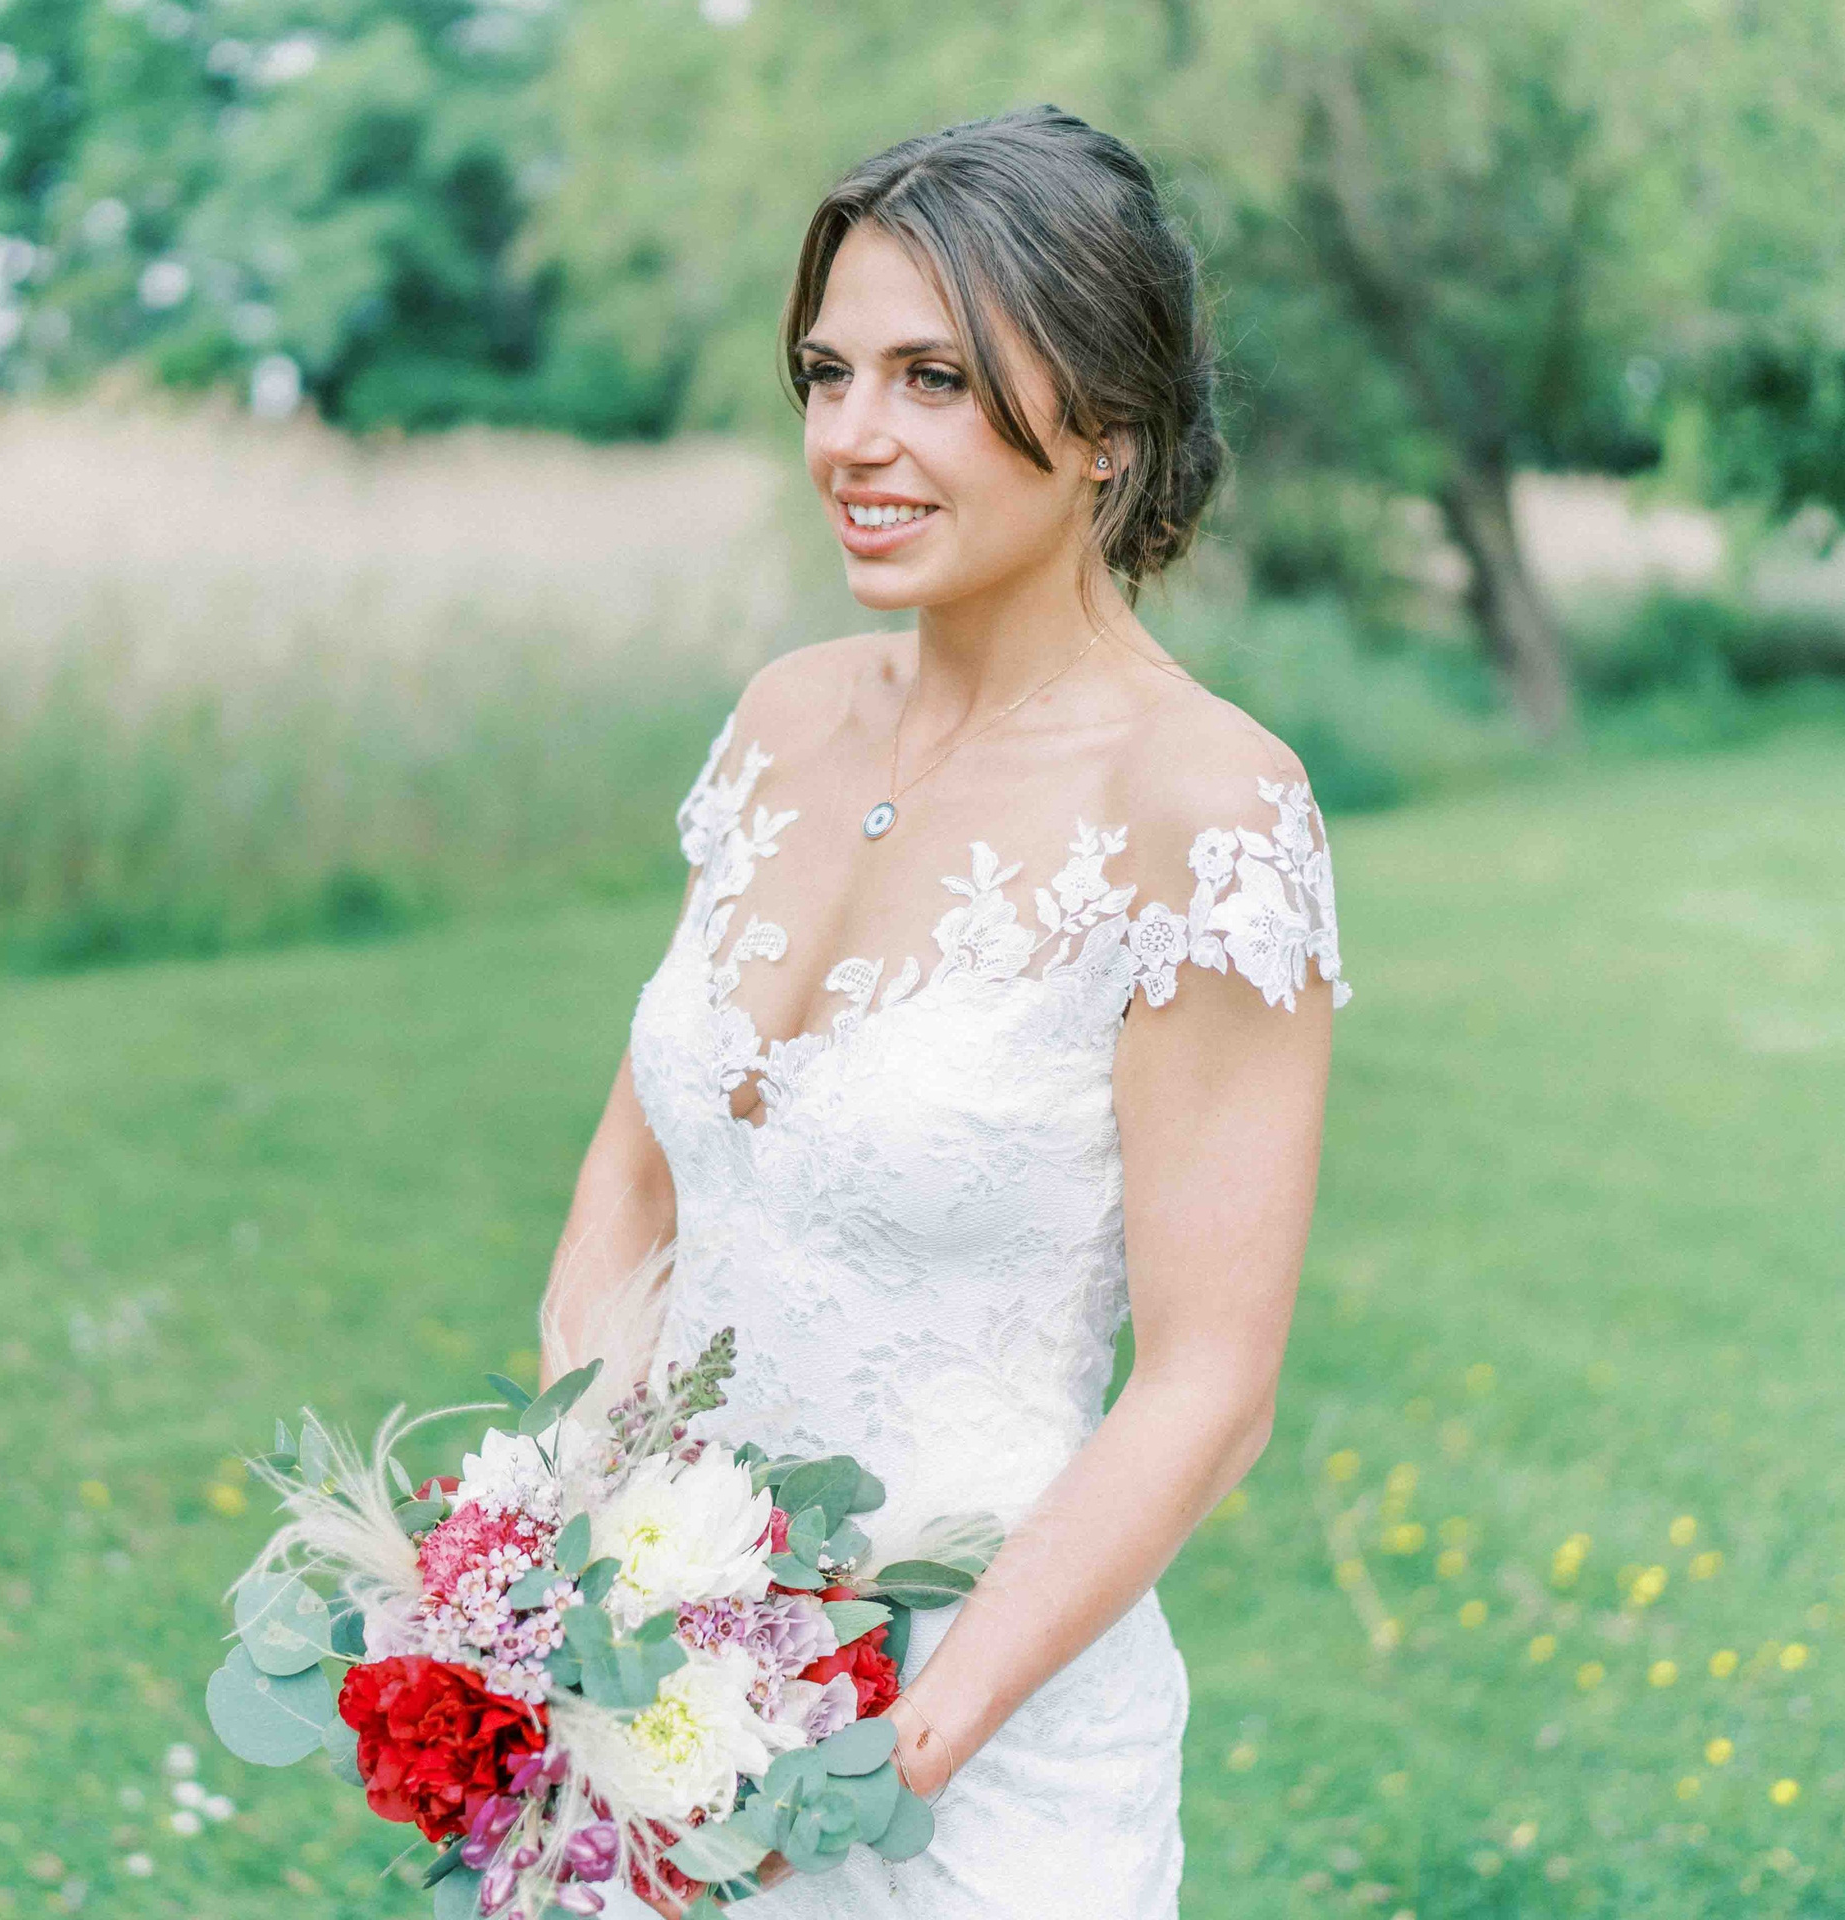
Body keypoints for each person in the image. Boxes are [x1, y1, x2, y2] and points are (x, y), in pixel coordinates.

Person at [540, 105, 1349, 1918]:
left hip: (974, 1758)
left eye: (934, 378)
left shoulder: (1207, 808)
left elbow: (1210, 1389)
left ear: (1110, 430)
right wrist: (593, 1591)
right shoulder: (777, 718)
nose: (852, 439)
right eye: (830, 373)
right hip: (655, 1713)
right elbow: (633, 1188)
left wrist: (874, 1743)